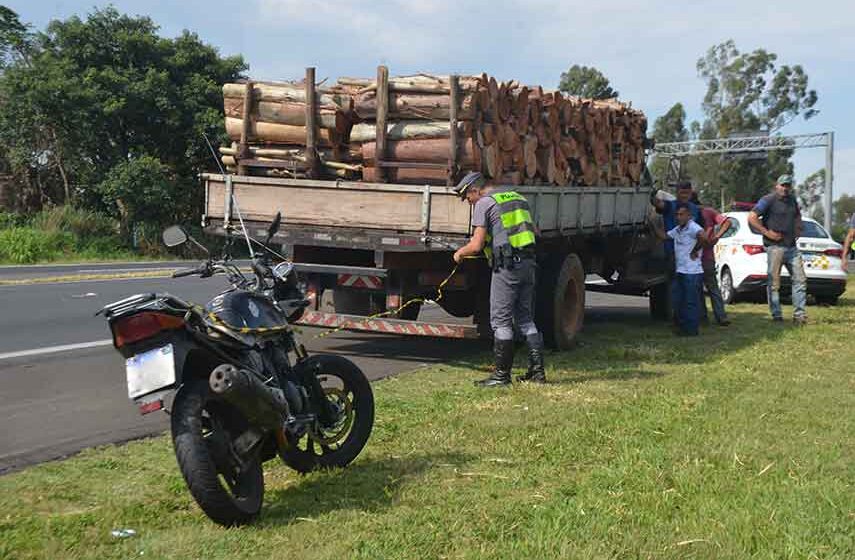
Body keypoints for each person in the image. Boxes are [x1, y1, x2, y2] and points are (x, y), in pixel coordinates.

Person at [452, 171, 544, 387]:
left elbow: (475, 245)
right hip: (528, 264)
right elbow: (533, 231)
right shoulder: (518, 198)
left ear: (475, 189)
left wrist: (459, 253)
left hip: (507, 268)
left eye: (468, 198)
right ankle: (537, 373)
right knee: (525, 318)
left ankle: (502, 376)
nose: (469, 202)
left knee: (501, 321)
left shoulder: (485, 203)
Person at [748, 174, 807, 325]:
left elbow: (797, 215)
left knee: (800, 279)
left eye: (788, 185)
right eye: (783, 185)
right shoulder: (768, 200)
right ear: (777, 186)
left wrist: (799, 227)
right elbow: (752, 217)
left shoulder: (792, 200)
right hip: (775, 247)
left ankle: (799, 315)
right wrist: (767, 232)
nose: (785, 188)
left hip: (791, 246)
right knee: (774, 283)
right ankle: (776, 314)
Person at [655, 203, 708, 336]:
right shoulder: (678, 229)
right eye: (677, 215)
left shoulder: (693, 227)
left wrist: (695, 250)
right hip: (680, 271)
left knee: (690, 302)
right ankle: (682, 327)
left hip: (692, 272)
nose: (679, 217)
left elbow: (704, 237)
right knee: (678, 300)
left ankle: (691, 330)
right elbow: (664, 236)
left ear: (689, 216)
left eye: (682, 214)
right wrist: (652, 225)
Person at [692, 193, 732, 326]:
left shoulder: (687, 213)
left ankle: (702, 318)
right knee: (713, 288)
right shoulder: (708, 211)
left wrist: (716, 237)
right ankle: (721, 317)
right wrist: (717, 236)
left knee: (697, 290)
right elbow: (727, 222)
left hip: (694, 258)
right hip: (707, 257)